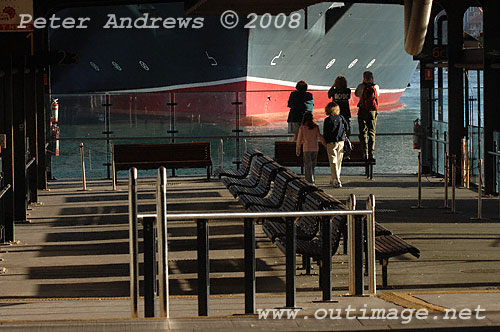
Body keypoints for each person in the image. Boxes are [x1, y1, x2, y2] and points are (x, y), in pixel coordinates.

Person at [323, 102, 350, 188]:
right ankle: (335, 178)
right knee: (339, 161)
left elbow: (325, 132)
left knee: (333, 161)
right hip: (341, 142)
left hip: (331, 142)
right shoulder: (341, 118)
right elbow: (347, 128)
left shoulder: (327, 120)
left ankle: (336, 179)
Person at [296, 112, 327, 184]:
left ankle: (309, 182)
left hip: (306, 149)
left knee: (307, 166)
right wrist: (325, 145)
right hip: (315, 149)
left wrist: (298, 149)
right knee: (312, 166)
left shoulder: (302, 128)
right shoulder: (316, 127)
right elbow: (320, 137)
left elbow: (299, 140)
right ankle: (312, 179)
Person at [355, 71, 380, 160]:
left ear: (364, 78)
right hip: (372, 111)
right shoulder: (375, 86)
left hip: (363, 110)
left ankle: (365, 153)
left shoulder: (361, 86)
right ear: (372, 78)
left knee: (363, 132)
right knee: (372, 132)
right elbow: (378, 95)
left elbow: (356, 94)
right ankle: (371, 153)